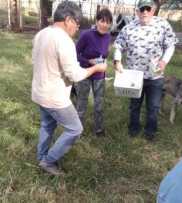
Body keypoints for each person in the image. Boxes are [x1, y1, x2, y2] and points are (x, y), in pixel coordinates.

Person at [31, 1, 107, 176]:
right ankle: (48, 161)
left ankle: (41, 156)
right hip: (54, 97)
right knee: (75, 129)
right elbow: (75, 75)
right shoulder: (64, 40)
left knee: (47, 125)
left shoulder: (42, 33)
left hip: (39, 91)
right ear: (68, 20)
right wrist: (96, 68)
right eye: (77, 23)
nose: (77, 28)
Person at [113, 0, 177, 140]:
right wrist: (117, 60)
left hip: (155, 76)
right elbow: (118, 45)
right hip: (134, 77)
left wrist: (164, 61)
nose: (145, 12)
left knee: (153, 107)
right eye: (142, 9)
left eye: (148, 9)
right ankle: (134, 128)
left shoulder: (162, 25)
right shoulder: (128, 28)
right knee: (135, 105)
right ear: (137, 12)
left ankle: (150, 131)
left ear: (153, 10)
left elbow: (171, 45)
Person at [75, 8, 112, 137]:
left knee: (99, 105)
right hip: (84, 73)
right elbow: (75, 54)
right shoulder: (86, 35)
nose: (105, 25)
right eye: (102, 21)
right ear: (96, 21)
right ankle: (77, 130)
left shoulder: (108, 37)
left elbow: (105, 54)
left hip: (99, 76)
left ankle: (99, 129)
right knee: (82, 103)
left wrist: (105, 62)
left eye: (108, 22)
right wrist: (88, 61)